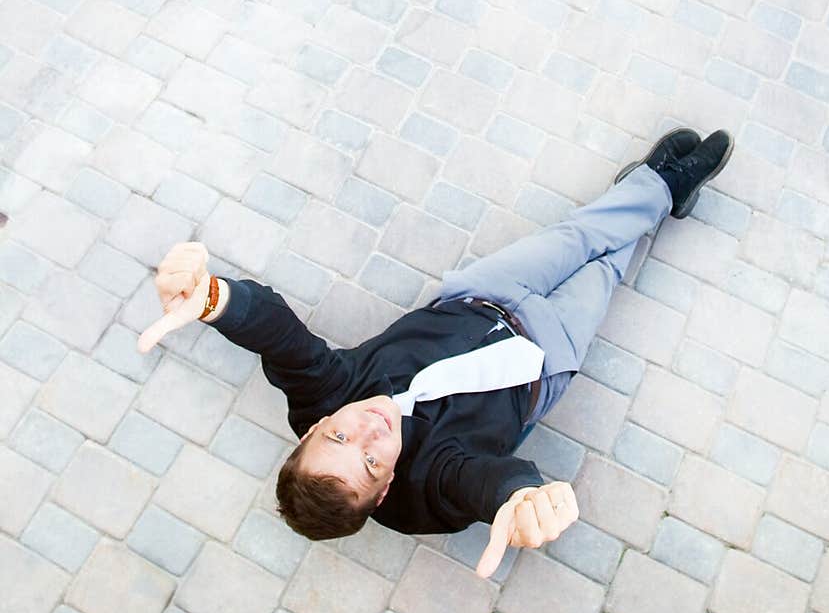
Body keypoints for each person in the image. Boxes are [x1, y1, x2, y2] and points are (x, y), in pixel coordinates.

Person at [151, 128, 733, 579]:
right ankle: (653, 193)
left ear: (313, 431)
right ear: (383, 492)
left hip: (478, 297)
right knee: (605, 269)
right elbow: (477, 483)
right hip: (541, 360)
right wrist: (521, 497)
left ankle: (655, 187)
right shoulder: (426, 493)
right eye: (373, 463)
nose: (367, 433)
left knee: (576, 236)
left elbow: (281, 338)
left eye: (336, 437)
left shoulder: (324, 399)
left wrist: (214, 301)